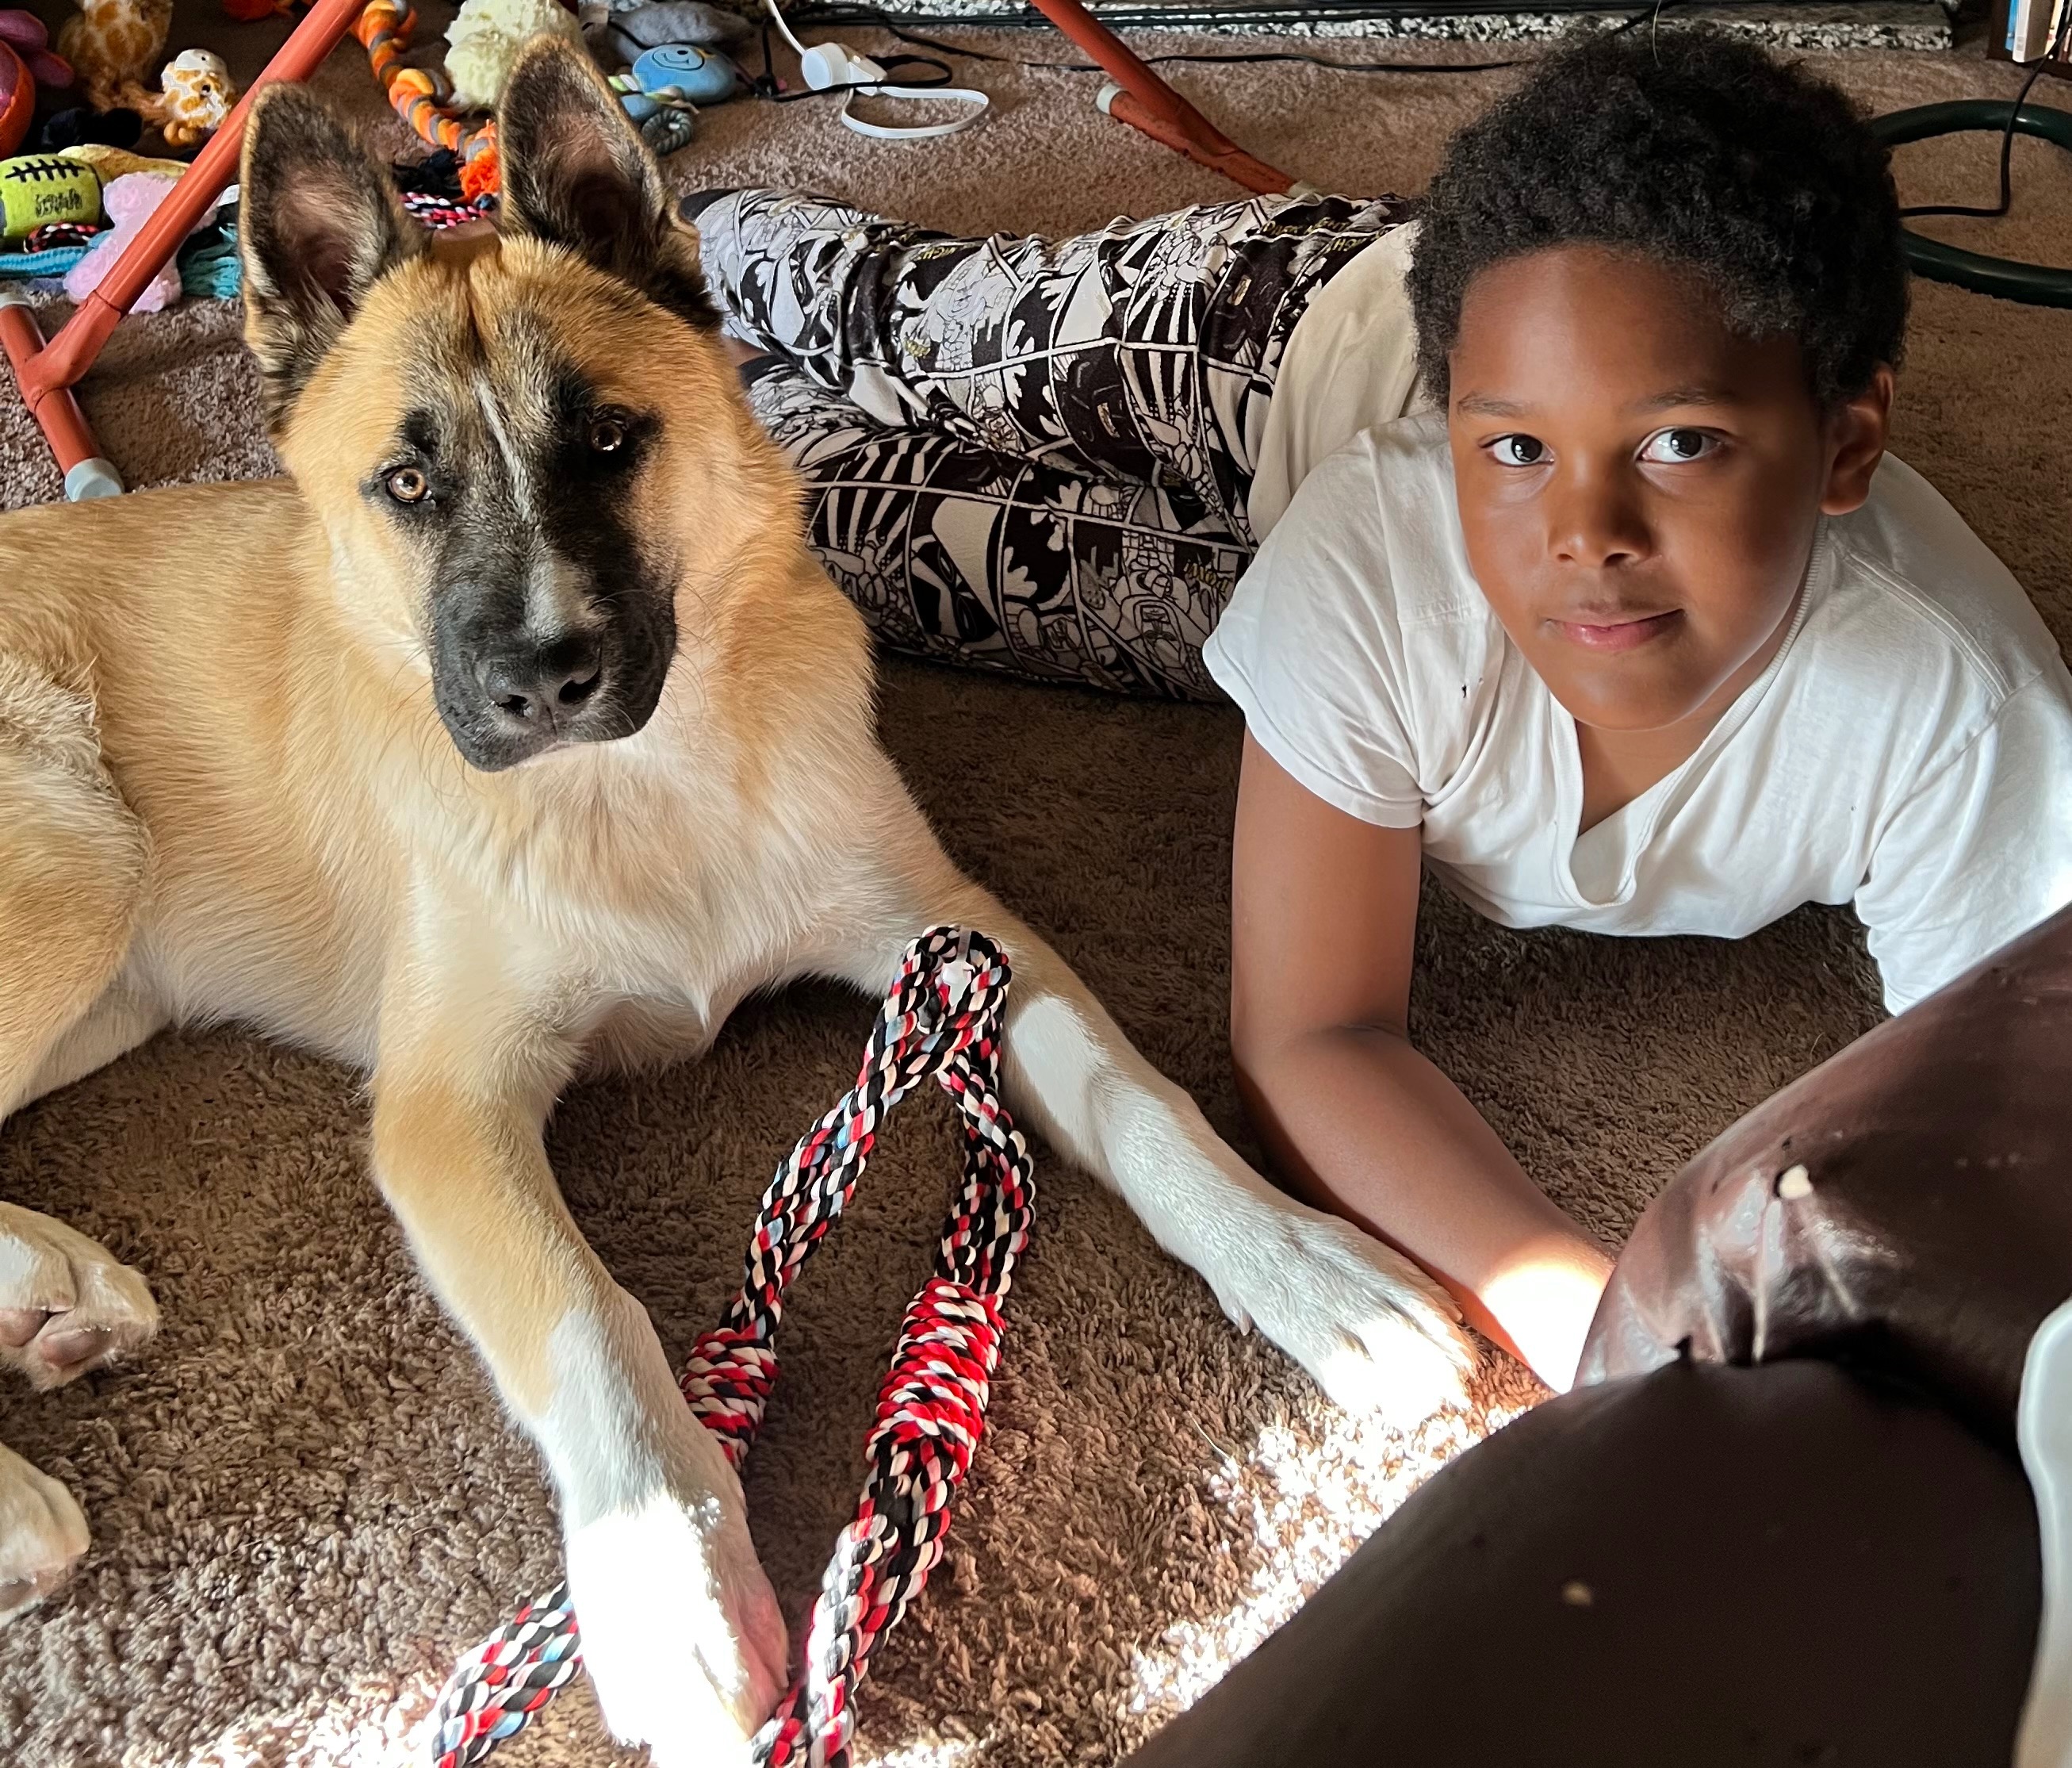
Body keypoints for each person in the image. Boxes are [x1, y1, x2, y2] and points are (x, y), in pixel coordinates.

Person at [685, 29, 2072, 1392]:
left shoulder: (1962, 711)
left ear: (1845, 446)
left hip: (1301, 580)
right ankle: (687, 215)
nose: (1586, 533)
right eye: (1519, 444)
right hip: (1260, 344)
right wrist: (1612, 1338)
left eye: (1679, 442)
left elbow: (2011, 1144)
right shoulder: (1390, 556)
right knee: (883, 323)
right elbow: (1307, 1034)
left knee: (804, 521)